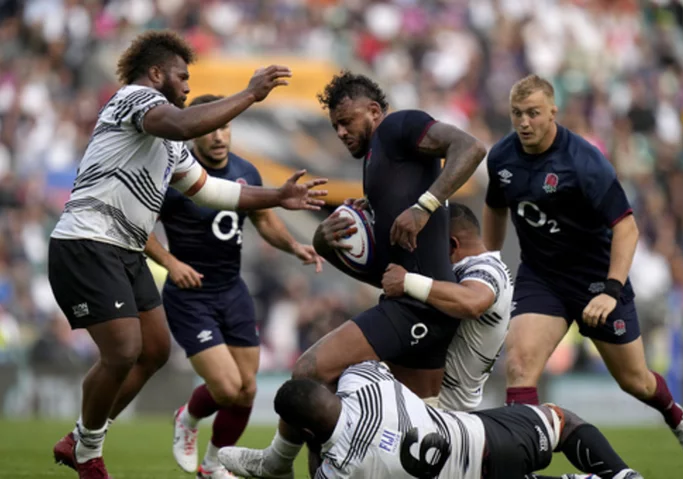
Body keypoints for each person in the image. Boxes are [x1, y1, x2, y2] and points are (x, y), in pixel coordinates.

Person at [49, 30, 327, 479]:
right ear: (156, 74)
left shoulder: (170, 143)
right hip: (88, 239)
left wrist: (278, 194)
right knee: (123, 350)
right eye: (182, 76)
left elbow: (210, 190)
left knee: (154, 351)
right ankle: (88, 451)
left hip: (124, 250)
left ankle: (81, 438)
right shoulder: (132, 99)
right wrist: (250, 94)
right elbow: (183, 123)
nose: (187, 86)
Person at [225, 71, 487, 478]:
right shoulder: (375, 165)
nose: (341, 132)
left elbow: (470, 148)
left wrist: (425, 206)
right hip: (420, 306)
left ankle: (276, 462)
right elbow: (383, 271)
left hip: (415, 309)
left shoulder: (399, 127)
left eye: (347, 121)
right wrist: (325, 241)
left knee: (310, 373)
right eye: (335, 126)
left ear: (375, 111)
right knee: (414, 434)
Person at [482, 74, 683, 464]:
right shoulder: (502, 157)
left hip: (596, 280)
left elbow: (626, 227)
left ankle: (675, 415)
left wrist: (611, 289)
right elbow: (495, 206)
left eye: (533, 113)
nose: (524, 123)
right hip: (542, 277)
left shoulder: (584, 161)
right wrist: (487, 260)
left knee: (635, 381)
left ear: (553, 112)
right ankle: (518, 464)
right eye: (517, 114)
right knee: (519, 367)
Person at [140, 93, 325, 479]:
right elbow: (139, 229)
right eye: (209, 128)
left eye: (224, 126)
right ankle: (188, 416)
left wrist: (294, 246)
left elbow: (264, 220)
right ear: (193, 134)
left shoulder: (246, 171)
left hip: (232, 290)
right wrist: (171, 263)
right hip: (190, 297)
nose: (219, 136)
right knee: (226, 389)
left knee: (247, 391)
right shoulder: (171, 178)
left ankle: (212, 465)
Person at [219, 361, 644, 479]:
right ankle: (621, 475)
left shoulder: (339, 470)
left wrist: (313, 443)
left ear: (308, 435)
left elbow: (321, 463)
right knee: (561, 423)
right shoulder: (366, 383)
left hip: (470, 474)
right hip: (486, 438)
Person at [381, 203, 512, 411]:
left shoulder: (487, 269)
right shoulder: (465, 270)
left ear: (452, 245)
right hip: (428, 398)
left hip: (443, 407)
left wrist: (407, 281)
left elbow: (473, 302)